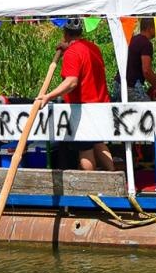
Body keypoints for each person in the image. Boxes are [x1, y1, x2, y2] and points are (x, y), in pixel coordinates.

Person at [47, 22, 113, 172]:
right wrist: (68, 48)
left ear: (65, 34)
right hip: (100, 104)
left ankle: (90, 186)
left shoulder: (72, 53)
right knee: (98, 143)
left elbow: (71, 82)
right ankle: (114, 176)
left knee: (85, 149)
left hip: (84, 108)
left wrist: (48, 96)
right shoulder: (93, 48)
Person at [126, 17, 156, 100]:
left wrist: (153, 76)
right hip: (131, 86)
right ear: (150, 28)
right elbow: (146, 70)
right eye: (155, 28)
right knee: (148, 110)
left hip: (119, 84)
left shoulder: (132, 40)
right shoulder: (146, 44)